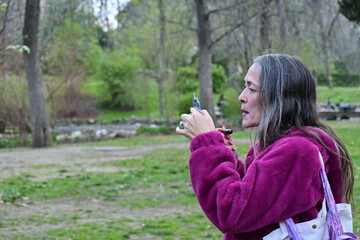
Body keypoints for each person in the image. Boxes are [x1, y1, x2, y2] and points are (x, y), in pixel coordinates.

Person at [175, 54, 354, 240]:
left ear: (280, 97)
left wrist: (208, 145)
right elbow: (257, 209)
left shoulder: (297, 150)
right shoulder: (278, 146)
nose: (241, 97)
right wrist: (227, 159)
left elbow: (231, 213)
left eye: (251, 89)